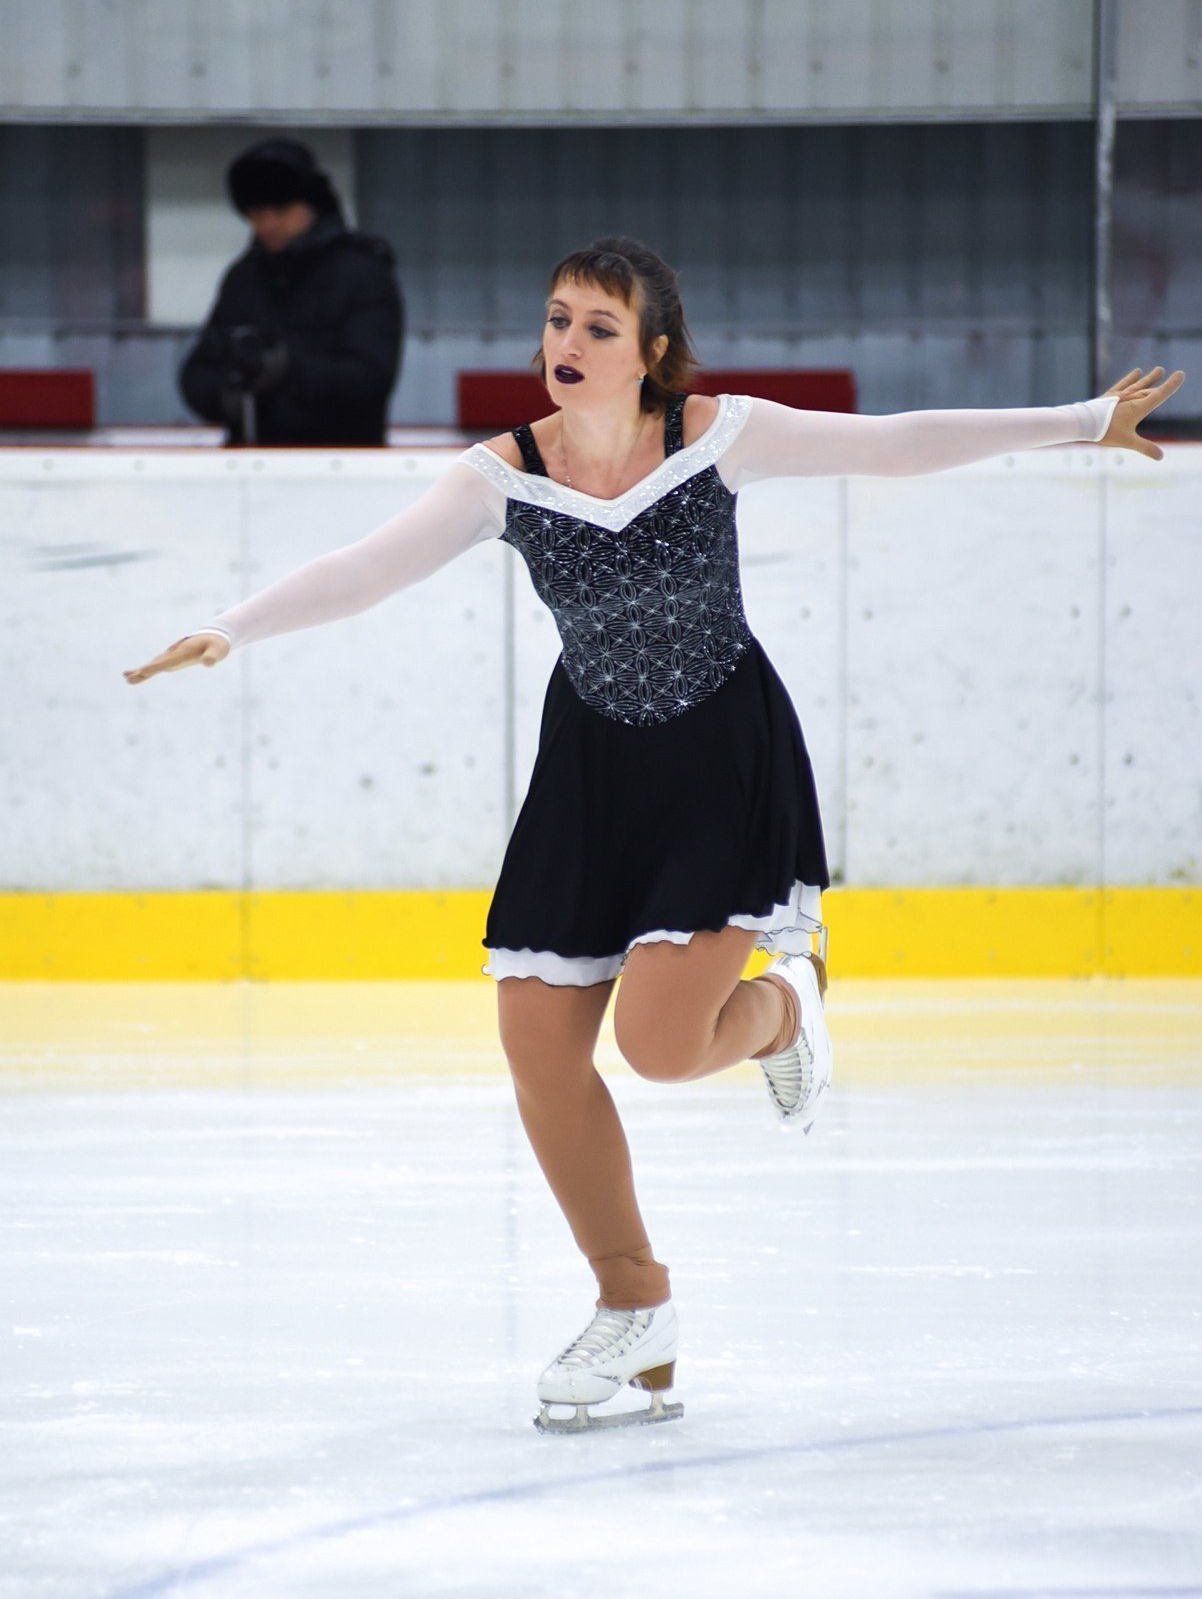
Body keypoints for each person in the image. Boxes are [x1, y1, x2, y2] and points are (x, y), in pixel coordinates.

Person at [126, 236, 1182, 1434]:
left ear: (652, 354)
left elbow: (896, 441)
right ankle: (633, 1307)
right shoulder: (503, 474)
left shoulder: (715, 437)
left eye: (596, 329)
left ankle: (789, 1004)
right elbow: (367, 569)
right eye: (556, 320)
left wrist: (1079, 420)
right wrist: (232, 627)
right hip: (591, 773)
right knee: (534, 1040)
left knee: (664, 1049)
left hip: (718, 759)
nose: (564, 347)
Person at [179, 137, 403, 447]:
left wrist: (288, 370)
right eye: (256, 212)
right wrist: (228, 393)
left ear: (312, 206)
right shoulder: (245, 276)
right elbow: (198, 372)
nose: (268, 223)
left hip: (342, 464)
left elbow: (370, 378)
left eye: (281, 209)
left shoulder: (361, 273)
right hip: (250, 461)